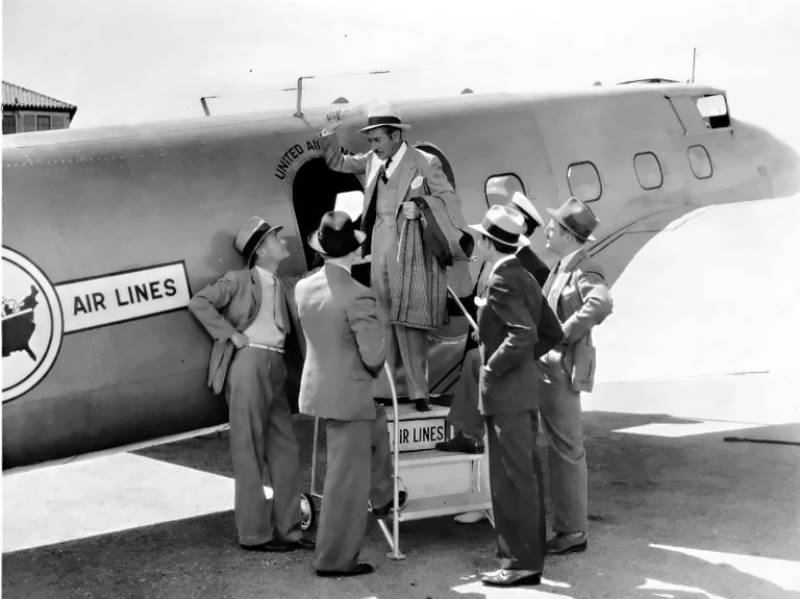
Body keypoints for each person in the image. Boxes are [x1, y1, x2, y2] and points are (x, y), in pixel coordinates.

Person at [320, 104, 472, 411]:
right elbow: (337, 162)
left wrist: (423, 205)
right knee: (384, 316)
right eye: (370, 140)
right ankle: (385, 390)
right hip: (380, 246)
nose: (372, 145)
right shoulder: (372, 161)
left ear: (396, 136)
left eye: (377, 139)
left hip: (412, 247)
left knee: (411, 320)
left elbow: (450, 199)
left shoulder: (425, 162)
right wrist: (329, 133)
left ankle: (419, 392)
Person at [436, 191, 563, 524]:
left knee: (511, 457)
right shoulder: (508, 265)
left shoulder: (523, 269)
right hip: (500, 353)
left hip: (509, 365)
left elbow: (531, 327)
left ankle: (468, 440)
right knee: (503, 450)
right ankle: (469, 445)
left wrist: (502, 360)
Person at [188, 217, 312, 552]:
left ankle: (289, 530)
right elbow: (199, 302)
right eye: (275, 238)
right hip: (248, 364)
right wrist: (231, 334)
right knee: (249, 452)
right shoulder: (238, 279)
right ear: (260, 250)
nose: (282, 241)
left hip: (276, 365)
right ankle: (254, 534)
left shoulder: (285, 283)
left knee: (286, 450)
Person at [296, 211, 407, 577]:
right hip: (349, 397)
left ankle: (385, 494)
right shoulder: (358, 295)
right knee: (345, 483)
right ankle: (334, 560)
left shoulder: (303, 288)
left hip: (321, 390)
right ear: (355, 253)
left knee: (377, 424)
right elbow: (374, 357)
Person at [468, 205, 547, 587]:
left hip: (505, 396)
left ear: (487, 242)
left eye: (479, 237)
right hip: (522, 394)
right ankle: (525, 557)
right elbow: (551, 331)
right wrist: (523, 367)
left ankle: (520, 562)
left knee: (511, 481)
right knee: (524, 477)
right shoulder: (525, 275)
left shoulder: (501, 280)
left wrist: (494, 367)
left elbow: (524, 334)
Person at [540, 197, 613, 555]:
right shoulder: (560, 268)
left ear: (568, 235)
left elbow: (601, 303)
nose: (548, 229)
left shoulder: (585, 268)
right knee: (561, 448)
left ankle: (572, 533)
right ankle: (567, 528)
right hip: (549, 367)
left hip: (562, 369)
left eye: (553, 226)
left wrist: (563, 333)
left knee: (567, 450)